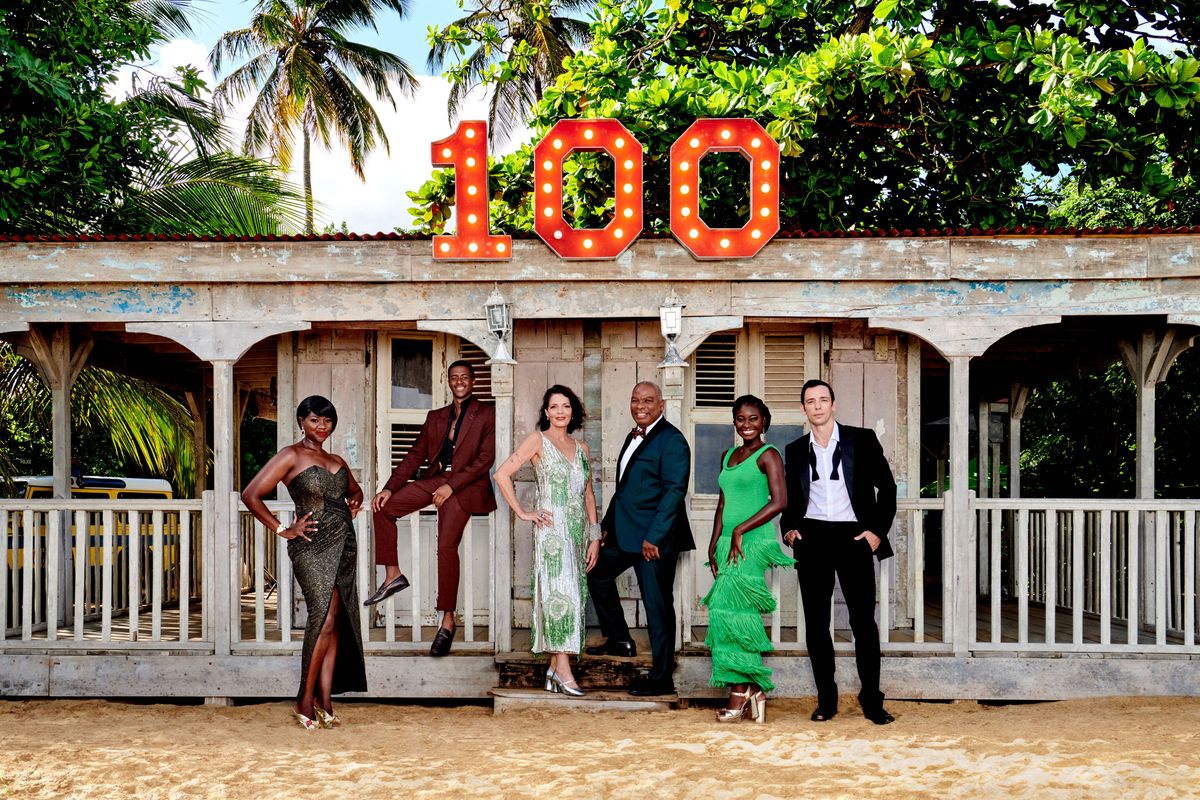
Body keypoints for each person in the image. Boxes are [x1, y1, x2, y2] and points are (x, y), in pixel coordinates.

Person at [241, 395, 366, 730]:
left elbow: (355, 492)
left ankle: (325, 701)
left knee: (335, 618)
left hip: (344, 545)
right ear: (301, 421)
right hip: (310, 545)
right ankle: (303, 698)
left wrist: (355, 500)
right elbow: (251, 494)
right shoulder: (290, 455)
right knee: (322, 616)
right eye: (314, 420)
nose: (320, 426)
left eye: (326, 421)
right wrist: (283, 529)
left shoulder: (336, 459)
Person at [780, 379, 898, 725]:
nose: (817, 406)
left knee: (863, 623)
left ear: (833, 404)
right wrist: (790, 530)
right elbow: (790, 499)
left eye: (823, 399)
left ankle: (872, 700)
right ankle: (826, 700)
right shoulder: (795, 449)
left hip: (854, 537)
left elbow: (887, 488)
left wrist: (876, 532)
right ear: (803, 409)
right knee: (817, 625)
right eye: (810, 401)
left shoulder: (860, 440)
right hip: (813, 538)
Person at [364, 360, 497, 658]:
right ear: (447, 381)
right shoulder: (436, 417)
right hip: (437, 479)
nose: (459, 381)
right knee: (383, 507)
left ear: (473, 381)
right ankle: (393, 574)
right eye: (454, 377)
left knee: (446, 546)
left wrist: (452, 486)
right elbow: (414, 456)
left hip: (465, 486)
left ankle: (447, 621)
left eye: (464, 377)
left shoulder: (487, 413)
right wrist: (389, 487)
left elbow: (485, 459)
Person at [586, 381, 694, 697]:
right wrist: (605, 527)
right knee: (596, 573)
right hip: (624, 533)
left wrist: (655, 537)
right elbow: (623, 492)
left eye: (648, 400)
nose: (641, 405)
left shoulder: (672, 441)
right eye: (635, 400)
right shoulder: (634, 435)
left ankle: (662, 678)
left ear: (661, 405)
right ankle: (619, 638)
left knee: (657, 604)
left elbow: (674, 492)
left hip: (654, 540)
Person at [494, 385, 601, 696]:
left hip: (577, 533)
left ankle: (555, 668)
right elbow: (502, 474)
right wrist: (524, 512)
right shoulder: (536, 440)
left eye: (565, 406)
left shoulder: (581, 448)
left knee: (573, 598)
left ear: (572, 411)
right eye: (554, 406)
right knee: (559, 598)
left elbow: (588, 494)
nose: (560, 412)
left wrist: (594, 537)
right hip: (552, 535)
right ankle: (564, 670)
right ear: (545, 412)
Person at [701, 395, 792, 723]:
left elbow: (780, 501)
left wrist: (741, 529)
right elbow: (723, 504)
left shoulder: (769, 455)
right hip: (728, 542)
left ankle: (740, 693)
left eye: (753, 418)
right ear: (735, 422)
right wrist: (714, 544)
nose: (747, 424)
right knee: (725, 615)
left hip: (751, 542)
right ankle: (750, 689)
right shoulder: (728, 455)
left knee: (739, 615)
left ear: (764, 421)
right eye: (741, 419)